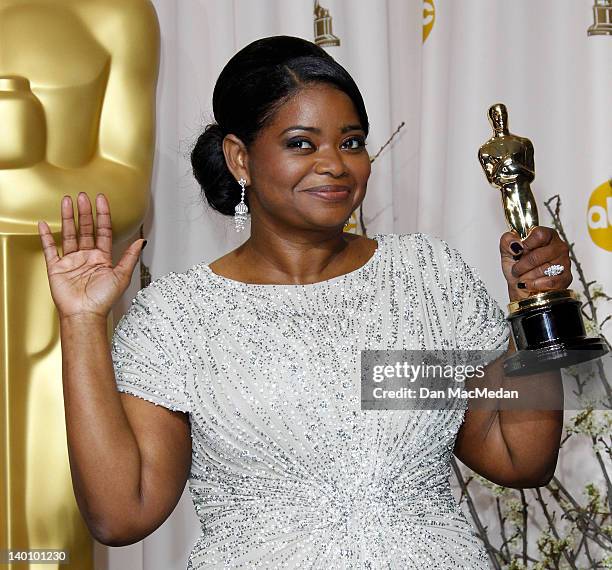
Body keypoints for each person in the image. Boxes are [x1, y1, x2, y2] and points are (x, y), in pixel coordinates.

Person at [38, 35, 572, 569]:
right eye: (301, 143)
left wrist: (538, 308)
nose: (335, 164)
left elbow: (518, 457)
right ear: (240, 158)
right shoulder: (180, 319)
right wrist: (82, 321)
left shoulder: (425, 281)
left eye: (351, 142)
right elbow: (120, 515)